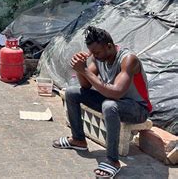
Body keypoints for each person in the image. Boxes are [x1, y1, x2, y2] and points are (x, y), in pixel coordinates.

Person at [52, 26, 152, 178]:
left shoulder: (128, 59)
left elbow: (117, 92)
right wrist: (81, 69)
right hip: (113, 101)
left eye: (97, 52)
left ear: (109, 46)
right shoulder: (99, 58)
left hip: (137, 109)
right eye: (92, 53)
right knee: (72, 92)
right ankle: (78, 140)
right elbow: (85, 85)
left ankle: (113, 161)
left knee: (109, 105)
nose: (95, 56)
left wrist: (84, 70)